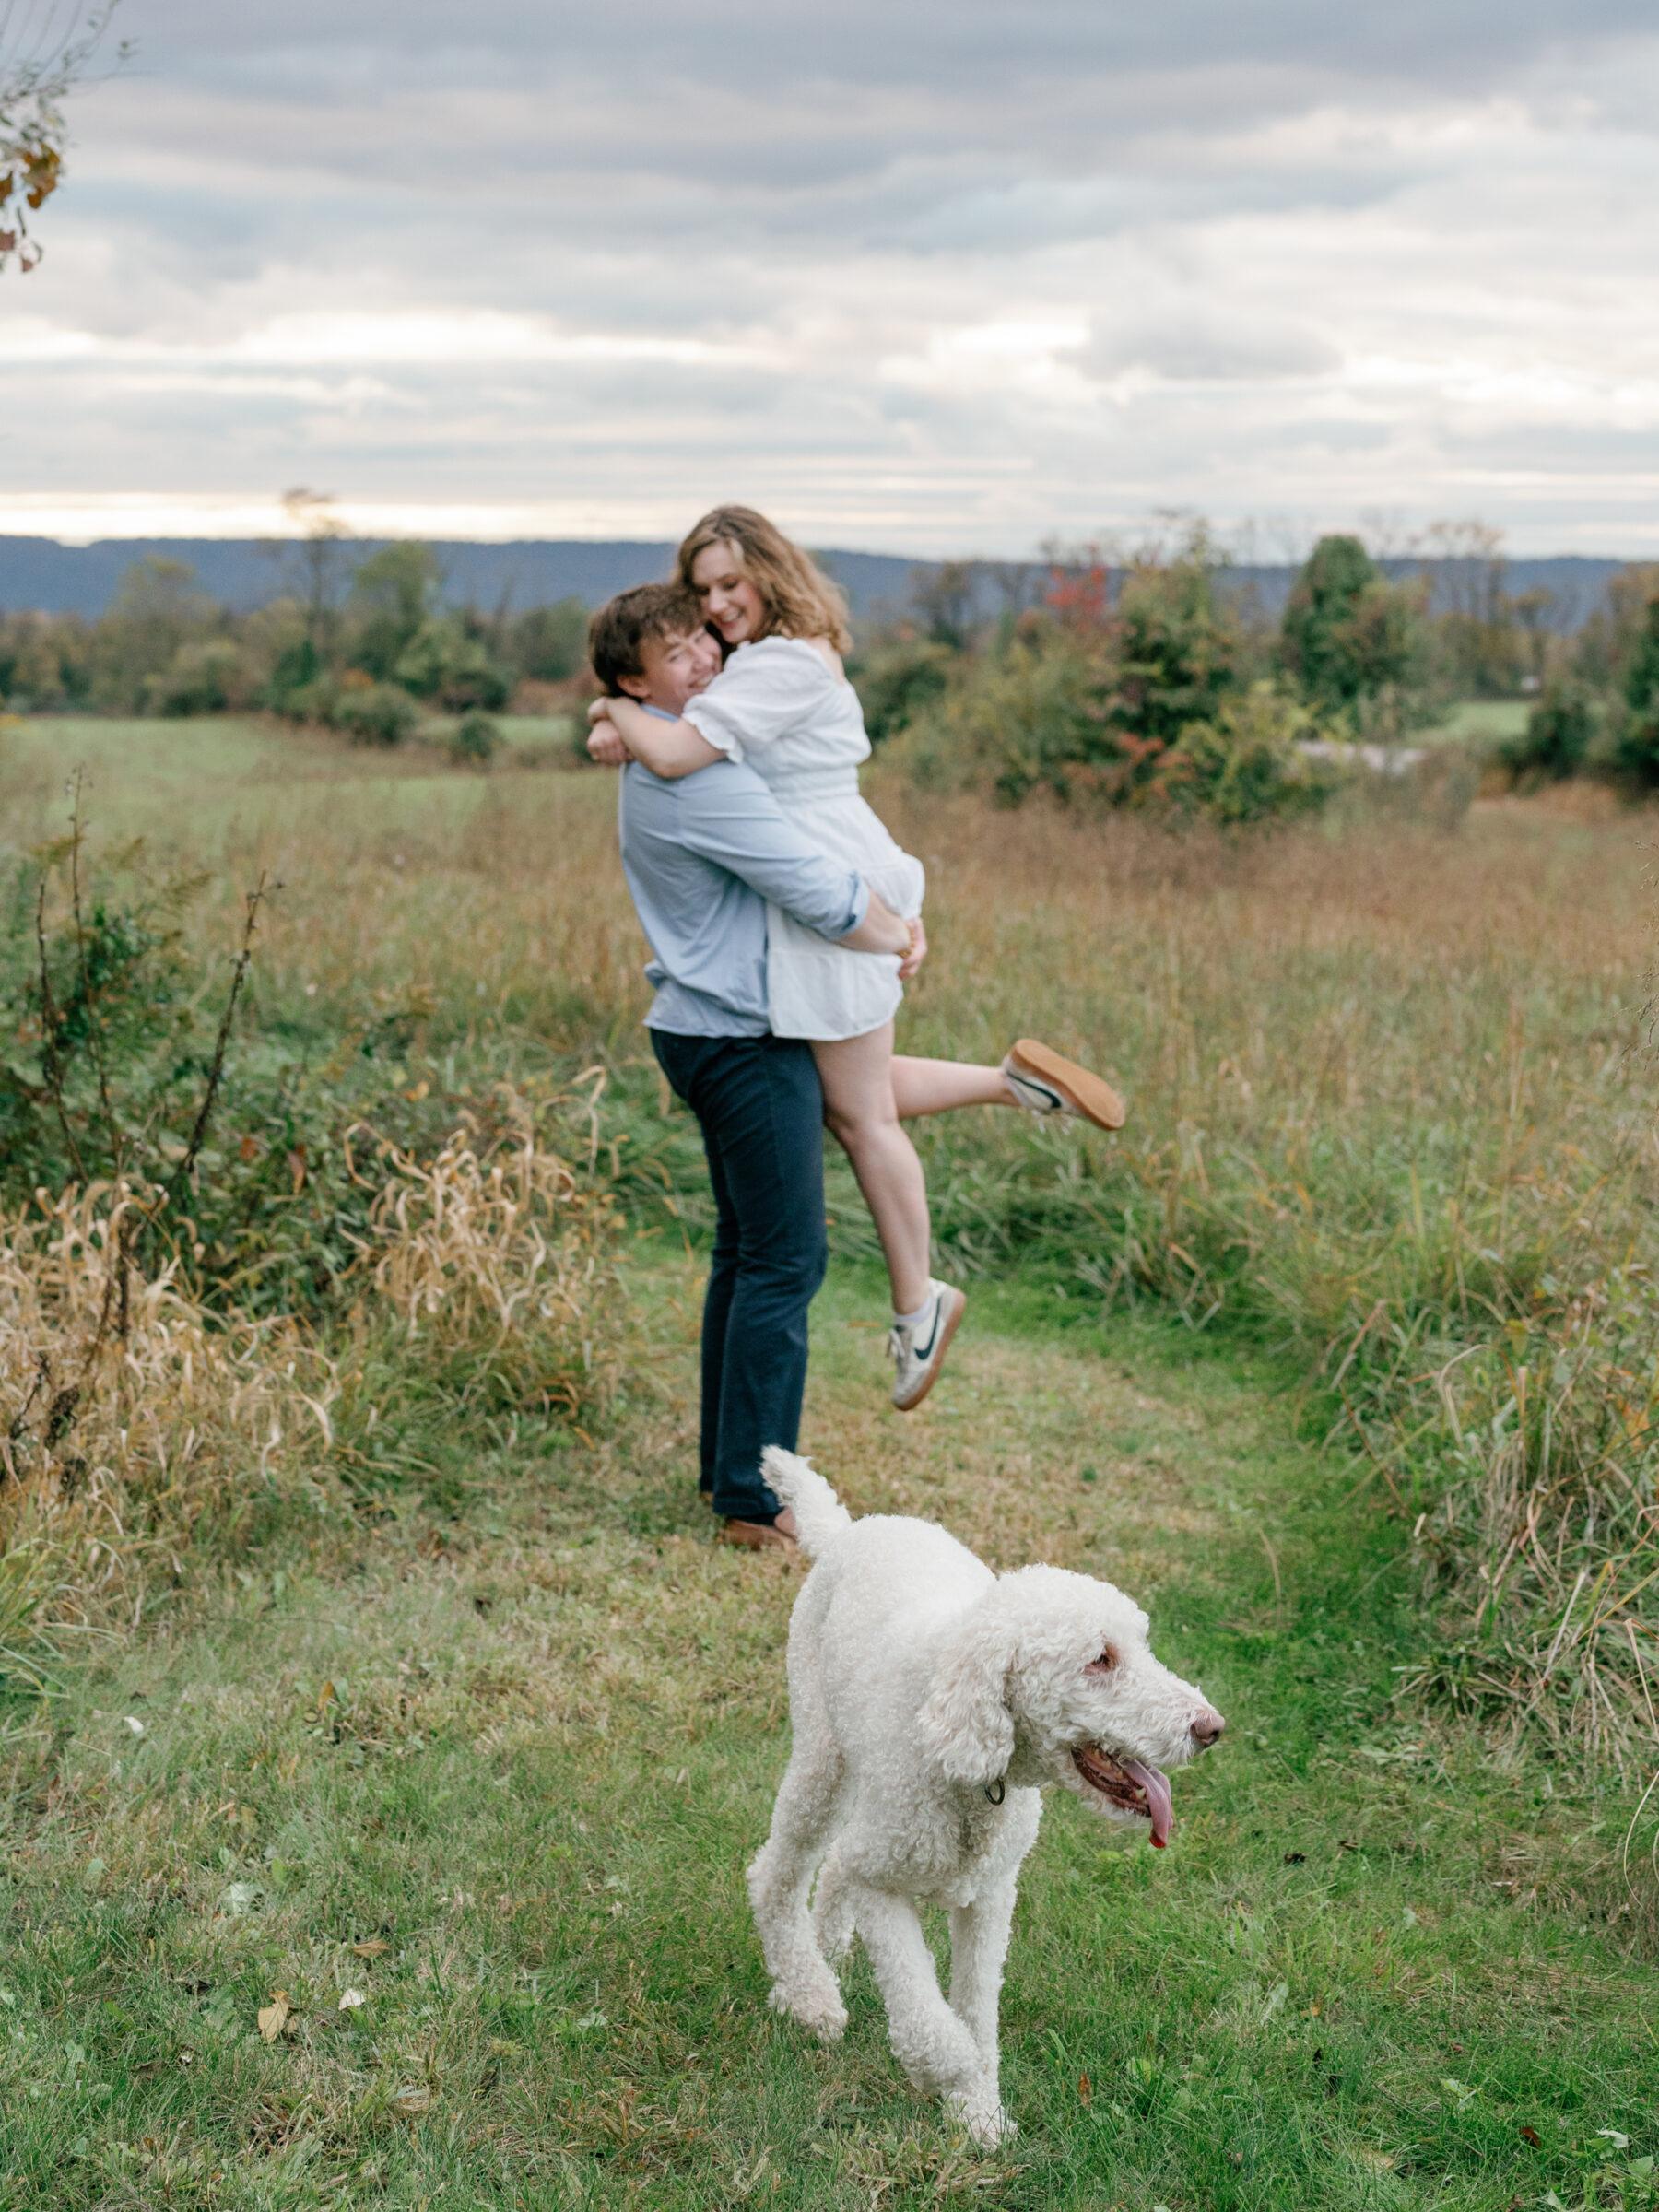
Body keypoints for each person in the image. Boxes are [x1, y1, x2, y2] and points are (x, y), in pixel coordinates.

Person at [588, 506, 1126, 1414]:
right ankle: (1013, 1086)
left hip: (821, 881)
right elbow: (651, 731)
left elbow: (672, 746)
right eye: (704, 590)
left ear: (770, 571)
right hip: (830, 865)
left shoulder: (784, 662)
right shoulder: (761, 661)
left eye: (732, 583)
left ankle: (920, 1301)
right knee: (847, 1087)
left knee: (861, 1114)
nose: (718, 606)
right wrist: (620, 717)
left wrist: (612, 705)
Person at [587, 581, 918, 1554]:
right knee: (784, 1262)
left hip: (708, 1026)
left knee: (745, 1259)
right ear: (632, 681)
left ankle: (731, 1474)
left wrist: (612, 716)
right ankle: (757, 1501)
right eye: (678, 655)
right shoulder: (699, 779)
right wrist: (899, 933)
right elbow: (816, 888)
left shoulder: (672, 758)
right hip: (741, 1036)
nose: (706, 660)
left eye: (704, 641)